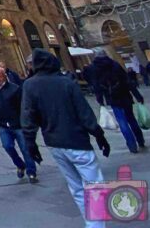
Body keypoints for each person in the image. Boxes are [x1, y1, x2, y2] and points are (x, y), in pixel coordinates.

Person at [21, 49, 111, 228]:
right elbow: (84, 112)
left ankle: (91, 223)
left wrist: (30, 143)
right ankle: (95, 225)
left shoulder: (30, 85)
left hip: (54, 144)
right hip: (77, 141)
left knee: (76, 187)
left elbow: (28, 116)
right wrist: (99, 135)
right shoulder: (66, 82)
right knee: (94, 186)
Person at [83, 48, 146, 153]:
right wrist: (137, 95)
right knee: (131, 119)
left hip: (112, 98)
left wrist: (100, 100)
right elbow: (127, 80)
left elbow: (96, 86)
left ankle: (131, 145)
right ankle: (140, 140)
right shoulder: (114, 64)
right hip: (125, 95)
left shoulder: (94, 68)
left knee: (122, 122)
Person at [0, 66, 38, 182]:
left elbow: (23, 106)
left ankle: (31, 172)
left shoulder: (15, 89)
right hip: (2, 124)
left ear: (4, 76)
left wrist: (24, 119)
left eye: (0, 76)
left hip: (17, 124)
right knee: (7, 146)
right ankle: (20, 164)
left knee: (25, 148)